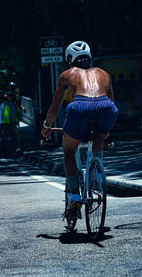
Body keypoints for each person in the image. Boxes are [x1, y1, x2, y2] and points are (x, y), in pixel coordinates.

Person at [41, 41, 118, 216]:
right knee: (100, 132)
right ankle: (95, 178)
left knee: (68, 151)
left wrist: (47, 126)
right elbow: (112, 103)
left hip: (80, 108)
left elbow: (54, 108)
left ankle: (74, 196)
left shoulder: (67, 74)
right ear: (89, 57)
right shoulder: (104, 73)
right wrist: (107, 130)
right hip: (106, 108)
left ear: (70, 59)